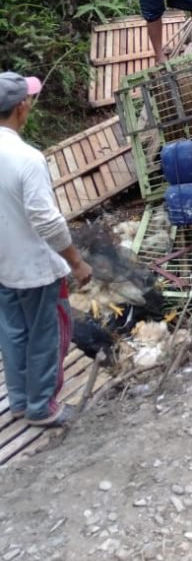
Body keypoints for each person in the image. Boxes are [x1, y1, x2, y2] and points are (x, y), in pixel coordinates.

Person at [0, 73, 92, 427]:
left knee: (12, 333)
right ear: (21, 107)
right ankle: (43, 408)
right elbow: (48, 221)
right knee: (48, 334)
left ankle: (21, 401)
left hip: (4, 266)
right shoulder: (27, 157)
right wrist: (77, 261)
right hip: (37, 269)